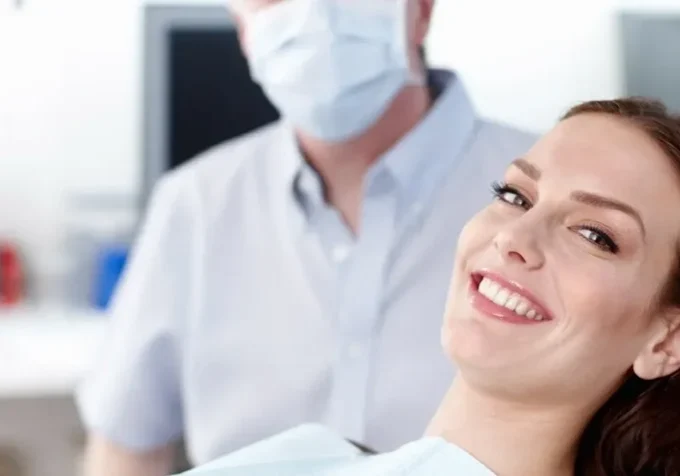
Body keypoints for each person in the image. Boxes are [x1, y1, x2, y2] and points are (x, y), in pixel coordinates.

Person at [77, 0, 536, 475]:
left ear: (419, 12)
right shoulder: (193, 204)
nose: (314, 13)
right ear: (244, 30)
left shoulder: (550, 202)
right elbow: (125, 448)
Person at [173, 97, 680, 476]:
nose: (514, 237)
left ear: (667, 340)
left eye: (595, 235)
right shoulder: (304, 456)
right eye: (515, 195)